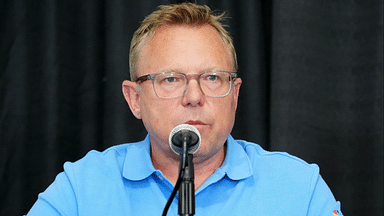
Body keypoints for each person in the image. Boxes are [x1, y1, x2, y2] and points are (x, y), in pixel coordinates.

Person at [27, 2, 343, 215]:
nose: (194, 96)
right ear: (134, 98)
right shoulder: (81, 189)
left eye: (212, 77)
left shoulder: (300, 188)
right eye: (171, 79)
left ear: (234, 95)